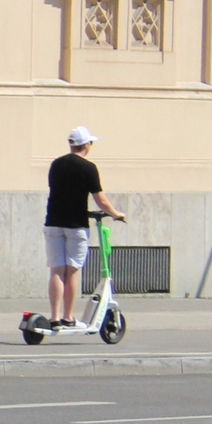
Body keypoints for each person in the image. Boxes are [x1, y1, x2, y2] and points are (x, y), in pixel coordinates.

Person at [45, 127, 125, 328]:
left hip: (53, 222)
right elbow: (101, 200)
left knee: (56, 270)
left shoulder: (56, 164)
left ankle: (54, 318)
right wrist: (116, 214)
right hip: (76, 225)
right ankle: (68, 317)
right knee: (72, 271)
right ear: (86, 144)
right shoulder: (88, 168)